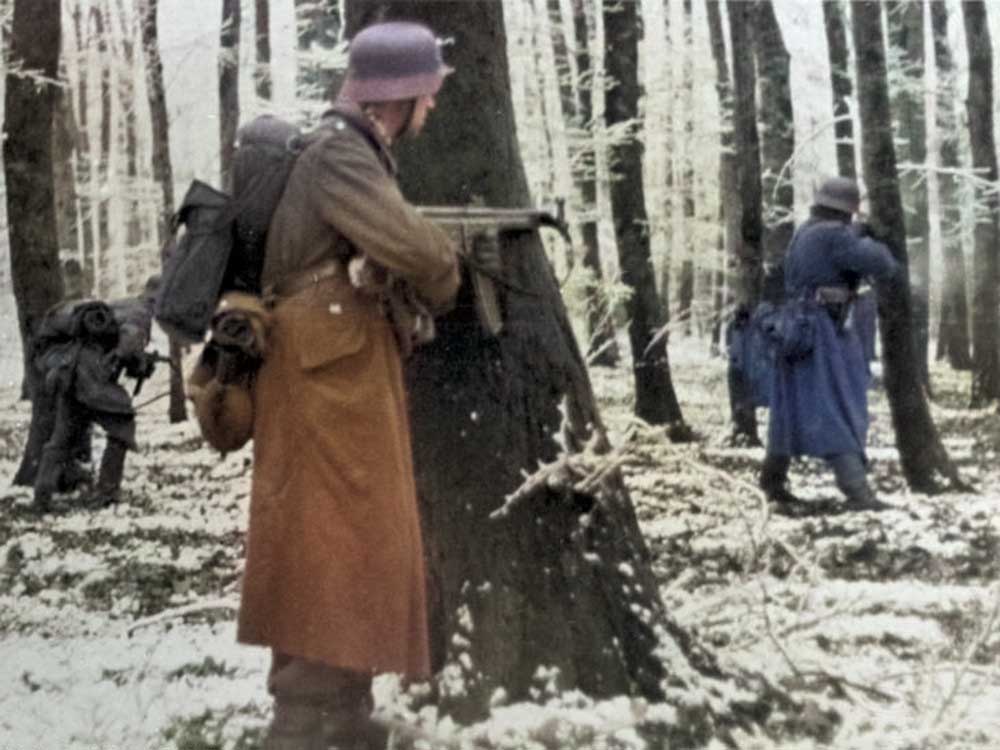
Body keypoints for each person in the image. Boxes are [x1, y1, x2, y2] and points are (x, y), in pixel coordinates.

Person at [235, 21, 461, 750]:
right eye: (427, 92)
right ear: (402, 95)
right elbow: (415, 248)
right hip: (321, 371)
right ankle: (303, 723)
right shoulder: (341, 153)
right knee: (322, 542)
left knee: (350, 542)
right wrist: (444, 264)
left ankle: (342, 710)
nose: (432, 108)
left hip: (335, 365)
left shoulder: (353, 150)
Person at [760, 177, 900, 512]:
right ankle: (857, 491)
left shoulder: (805, 231)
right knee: (834, 405)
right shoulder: (835, 235)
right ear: (846, 212)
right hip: (820, 331)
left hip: (797, 328)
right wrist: (876, 241)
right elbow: (884, 265)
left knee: (790, 408)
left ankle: (773, 480)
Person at [30, 276, 159, 511]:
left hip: (70, 371)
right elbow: (127, 345)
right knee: (123, 425)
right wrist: (140, 363)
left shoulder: (124, 303)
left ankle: (42, 494)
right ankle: (107, 492)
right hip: (91, 376)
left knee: (62, 436)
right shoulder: (141, 312)